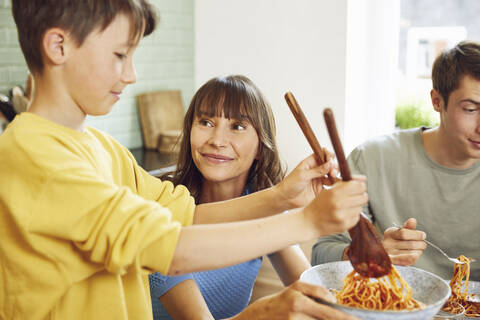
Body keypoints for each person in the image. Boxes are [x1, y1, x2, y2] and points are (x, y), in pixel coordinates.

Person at [0, 1, 368, 319]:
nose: (132, 74)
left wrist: (283, 198)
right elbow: (168, 247)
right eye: (119, 55)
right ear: (58, 46)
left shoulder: (101, 146)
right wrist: (307, 222)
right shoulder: (35, 156)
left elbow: (185, 214)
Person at [150, 75, 341, 319]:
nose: (217, 141)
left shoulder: (261, 203)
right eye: (206, 122)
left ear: (261, 147)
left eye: (237, 126)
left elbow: (319, 298)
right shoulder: (160, 211)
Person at [312, 40, 480, 281]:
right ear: (437, 101)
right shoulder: (373, 158)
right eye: (471, 109)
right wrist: (370, 252)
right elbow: (321, 254)